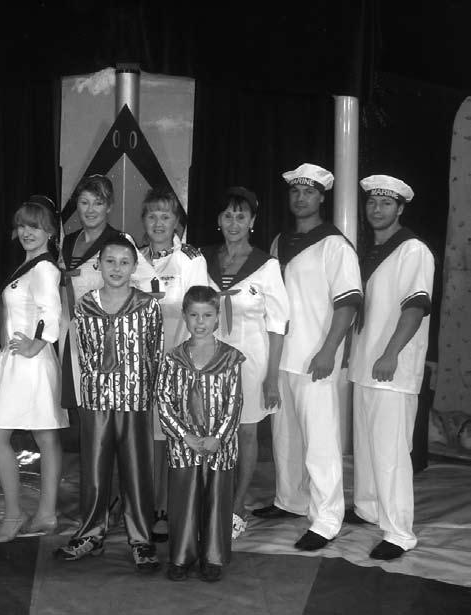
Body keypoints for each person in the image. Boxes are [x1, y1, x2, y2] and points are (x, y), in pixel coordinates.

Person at [252, 163, 362, 552]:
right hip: (281, 355)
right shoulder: (280, 241)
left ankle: (327, 518)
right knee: (285, 437)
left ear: (321, 198)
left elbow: (348, 303)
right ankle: (290, 500)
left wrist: (329, 349)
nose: (301, 198)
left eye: (309, 192)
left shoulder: (335, 245)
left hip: (315, 356)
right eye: (296, 192)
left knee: (320, 441)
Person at [55, 235, 163, 572]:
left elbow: (155, 354)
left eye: (124, 262)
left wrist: (152, 396)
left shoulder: (148, 306)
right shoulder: (85, 305)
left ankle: (141, 538)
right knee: (94, 471)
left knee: (137, 471)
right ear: (98, 265)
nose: (117, 268)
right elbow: (83, 354)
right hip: (97, 400)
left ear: (134, 267)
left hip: (135, 400)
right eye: (110, 261)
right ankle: (91, 533)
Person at [346, 175, 434, 560]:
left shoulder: (412, 250)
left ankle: (399, 533)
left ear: (400, 208)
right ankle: (368, 508)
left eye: (385, 203)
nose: (376, 209)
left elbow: (415, 307)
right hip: (366, 364)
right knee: (367, 448)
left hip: (391, 369)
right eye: (372, 202)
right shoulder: (376, 251)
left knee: (390, 453)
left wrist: (391, 353)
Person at [201, 187, 289, 541]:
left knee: (246, 432)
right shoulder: (203, 260)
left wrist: (272, 377)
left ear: (252, 221)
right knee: (211, 430)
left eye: (241, 216)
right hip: (209, 359)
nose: (234, 223)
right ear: (218, 220)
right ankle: (211, 498)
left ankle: (237, 506)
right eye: (228, 216)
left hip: (251, 360)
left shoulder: (267, 265)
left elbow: (278, 324)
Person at [0, 196, 69, 542]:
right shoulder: (29, 265)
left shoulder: (44, 268)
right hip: (19, 362)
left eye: (35, 226)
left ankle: (17, 515)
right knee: (45, 437)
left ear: (50, 231)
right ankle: (44, 514)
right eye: (22, 225)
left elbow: (52, 312)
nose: (26, 232)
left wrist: (36, 344)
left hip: (30, 364)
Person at [156, 286, 245, 582]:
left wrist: (218, 437)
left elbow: (235, 402)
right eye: (194, 315)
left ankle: (213, 557)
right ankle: (182, 556)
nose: (200, 322)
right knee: (184, 503)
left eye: (207, 315)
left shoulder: (230, 358)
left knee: (217, 502)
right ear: (184, 316)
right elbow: (163, 401)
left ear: (218, 316)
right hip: (184, 446)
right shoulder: (173, 359)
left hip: (219, 446)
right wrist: (184, 435)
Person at [140, 187, 209, 542]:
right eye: (152, 215)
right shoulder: (134, 259)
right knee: (145, 438)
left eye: (165, 216)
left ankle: (169, 507)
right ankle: (147, 504)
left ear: (176, 221)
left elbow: (201, 315)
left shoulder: (190, 260)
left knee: (172, 436)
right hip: (138, 366)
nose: (158, 223)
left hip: (177, 364)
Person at [58, 175, 156, 410]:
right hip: (71, 332)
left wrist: (125, 321)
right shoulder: (68, 242)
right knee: (80, 403)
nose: (90, 210)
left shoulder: (120, 241)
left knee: (110, 404)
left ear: (109, 206)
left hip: (111, 339)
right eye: (84, 202)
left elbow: (152, 285)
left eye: (98, 203)